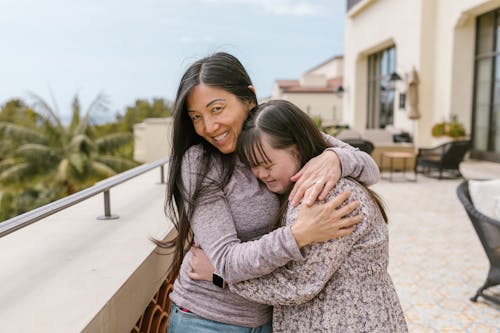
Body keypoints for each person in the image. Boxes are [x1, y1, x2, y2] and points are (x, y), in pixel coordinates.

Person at [161, 52, 381, 332]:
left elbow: (370, 168)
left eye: (217, 109)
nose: (208, 127)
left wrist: (335, 159)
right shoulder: (200, 163)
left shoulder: (272, 128)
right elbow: (227, 262)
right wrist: (298, 235)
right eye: (196, 117)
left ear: (248, 98)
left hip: (270, 319)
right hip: (207, 320)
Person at [188, 100, 408, 332]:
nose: (261, 174)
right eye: (253, 166)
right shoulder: (311, 186)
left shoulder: (324, 195)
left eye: (267, 164)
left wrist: (218, 275)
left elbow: (297, 284)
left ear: (299, 149)